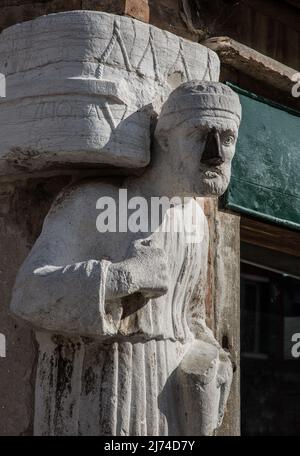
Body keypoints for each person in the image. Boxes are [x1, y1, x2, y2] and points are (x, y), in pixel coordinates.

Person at [11, 81, 241, 436]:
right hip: (103, 380)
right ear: (164, 138)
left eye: (226, 139)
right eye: (199, 135)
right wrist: (123, 278)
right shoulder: (95, 202)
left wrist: (214, 360)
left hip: (170, 396)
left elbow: (189, 315)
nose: (215, 154)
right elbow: (28, 293)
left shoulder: (194, 219)